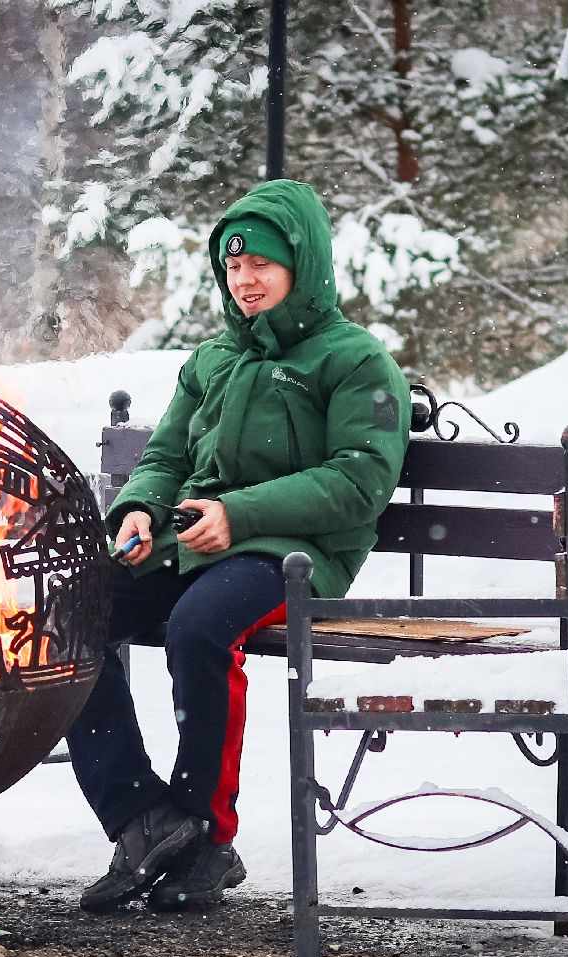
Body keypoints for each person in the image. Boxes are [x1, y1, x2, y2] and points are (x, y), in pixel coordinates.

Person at [67, 178, 410, 912]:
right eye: (233, 267)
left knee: (199, 628)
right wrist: (135, 509)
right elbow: (162, 457)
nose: (246, 280)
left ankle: (205, 832)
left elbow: (359, 482)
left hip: (296, 553)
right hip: (195, 537)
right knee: (70, 617)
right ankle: (142, 820)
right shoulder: (214, 360)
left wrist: (240, 514)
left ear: (302, 264)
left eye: (261, 263)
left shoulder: (354, 361)